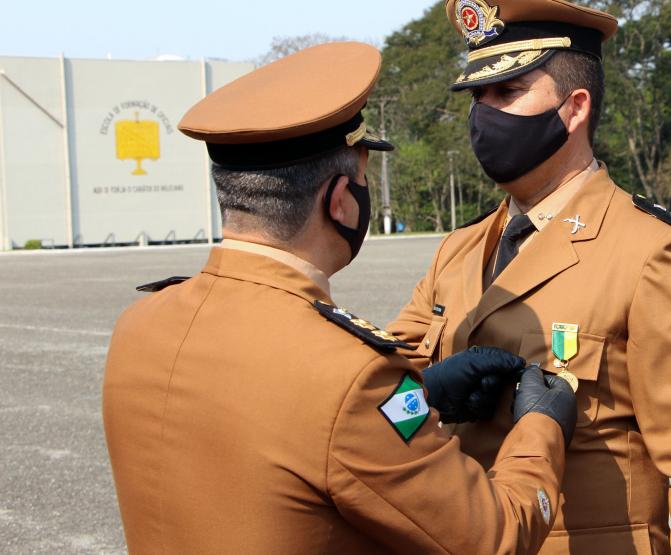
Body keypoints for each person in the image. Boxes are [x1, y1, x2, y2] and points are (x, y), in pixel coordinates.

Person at [102, 41, 578, 554]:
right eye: (363, 178)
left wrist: (419, 398)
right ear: (341, 201)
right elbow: (494, 537)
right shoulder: (352, 379)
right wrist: (540, 426)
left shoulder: (139, 324)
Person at [387, 1, 671, 553]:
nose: (484, 114)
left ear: (575, 107)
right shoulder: (457, 250)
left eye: (508, 92)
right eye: (477, 97)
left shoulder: (653, 252)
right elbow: (383, 401)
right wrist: (426, 392)